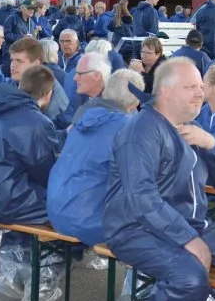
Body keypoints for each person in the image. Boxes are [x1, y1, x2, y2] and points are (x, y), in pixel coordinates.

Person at [102, 57, 215, 301]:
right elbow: (141, 199)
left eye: (201, 86)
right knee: (189, 278)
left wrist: (211, 144)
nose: (200, 93)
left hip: (185, 224)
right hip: (134, 230)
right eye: (191, 87)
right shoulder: (140, 132)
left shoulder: (187, 128)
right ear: (165, 91)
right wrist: (189, 240)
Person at [0, 66, 67, 301]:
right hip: (4, 200)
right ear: (48, 93)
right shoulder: (36, 121)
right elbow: (46, 172)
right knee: (67, 213)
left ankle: (11, 271)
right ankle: (43, 284)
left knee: (31, 200)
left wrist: (62, 135)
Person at [46, 69, 143, 250]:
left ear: (106, 92)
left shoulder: (83, 118)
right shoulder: (128, 128)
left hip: (56, 210)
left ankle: (56, 262)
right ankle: (137, 277)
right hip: (88, 222)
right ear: (136, 101)